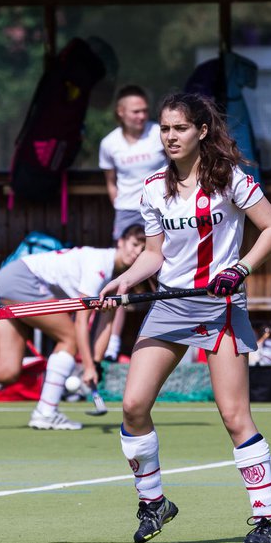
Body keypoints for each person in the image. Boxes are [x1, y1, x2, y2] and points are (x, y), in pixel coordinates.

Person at [97, 92, 271, 543]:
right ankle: (153, 503)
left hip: (219, 305)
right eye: (164, 129)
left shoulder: (232, 181)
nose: (170, 137)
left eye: (179, 128)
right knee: (132, 406)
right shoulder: (152, 189)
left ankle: (267, 521)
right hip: (171, 305)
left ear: (201, 131)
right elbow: (154, 255)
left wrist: (239, 269)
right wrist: (122, 282)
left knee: (234, 415)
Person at [0, 225, 148, 429]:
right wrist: (86, 366)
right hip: (20, 280)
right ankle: (46, 412)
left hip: (5, 282)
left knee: (7, 370)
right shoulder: (100, 265)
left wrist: (94, 362)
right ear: (121, 241)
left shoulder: (119, 280)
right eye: (134, 244)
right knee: (69, 338)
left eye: (143, 249)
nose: (137, 252)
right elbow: (82, 321)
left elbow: (106, 322)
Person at [98, 85, 165, 361]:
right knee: (122, 279)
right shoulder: (109, 143)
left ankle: (172, 338)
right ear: (121, 112)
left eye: (145, 110)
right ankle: (112, 346)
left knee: (163, 274)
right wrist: (120, 204)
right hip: (127, 212)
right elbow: (111, 182)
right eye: (136, 111)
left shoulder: (159, 134)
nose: (141, 116)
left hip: (160, 208)